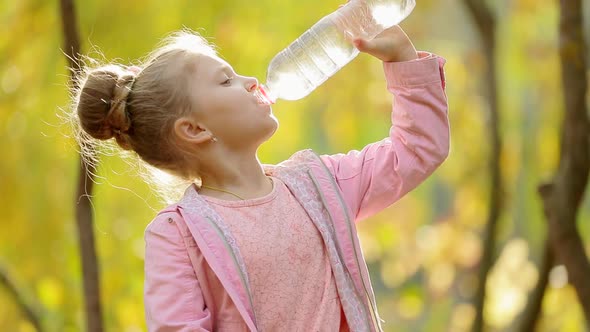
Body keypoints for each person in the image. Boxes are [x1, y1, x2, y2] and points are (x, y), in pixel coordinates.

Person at [73, 23, 449, 332]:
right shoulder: (178, 235)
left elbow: (416, 149)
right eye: (226, 81)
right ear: (194, 129)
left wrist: (403, 60)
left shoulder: (319, 185)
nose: (251, 80)